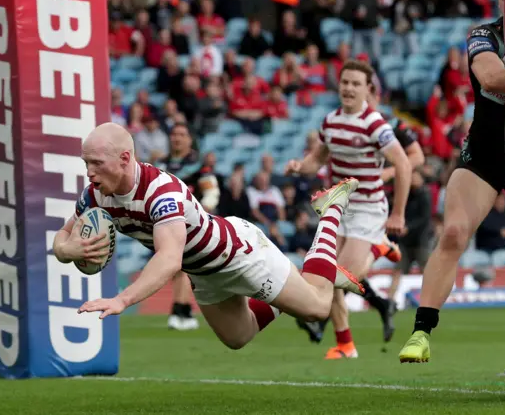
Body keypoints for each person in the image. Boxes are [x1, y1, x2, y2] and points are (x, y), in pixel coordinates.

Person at [53, 122, 364, 351]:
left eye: (96, 163)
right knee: (238, 338)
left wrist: (122, 299)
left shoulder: (161, 191)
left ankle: (331, 208)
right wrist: (70, 250)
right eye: (86, 163)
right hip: (204, 275)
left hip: (240, 255)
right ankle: (299, 278)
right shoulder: (95, 195)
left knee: (319, 308)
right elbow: (63, 236)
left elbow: (170, 258)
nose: (89, 172)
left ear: (123, 158)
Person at [398, 0, 505, 363]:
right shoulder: (485, 34)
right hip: (487, 155)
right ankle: (421, 332)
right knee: (453, 232)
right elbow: (492, 78)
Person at [285, 60, 412, 359]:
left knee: (339, 275)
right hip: (338, 208)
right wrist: (300, 167)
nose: (349, 88)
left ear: (368, 90)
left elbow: (404, 164)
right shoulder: (330, 122)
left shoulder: (375, 125)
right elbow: (317, 159)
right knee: (326, 278)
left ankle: (380, 246)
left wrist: (398, 214)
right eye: (345, 82)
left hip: (368, 209)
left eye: (356, 83)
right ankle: (345, 345)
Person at [156, 123, 220, 331]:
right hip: (165, 222)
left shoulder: (199, 165)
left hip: (192, 221)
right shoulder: (160, 164)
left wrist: (205, 211)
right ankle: (186, 312)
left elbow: (211, 190)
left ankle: (179, 311)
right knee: (179, 267)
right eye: (174, 134)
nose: (177, 138)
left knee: (180, 265)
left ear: (189, 140)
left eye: (182, 134)